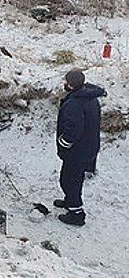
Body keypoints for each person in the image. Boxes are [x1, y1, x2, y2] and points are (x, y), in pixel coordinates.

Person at [55, 68, 105, 226]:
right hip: (88, 147)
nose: (64, 83)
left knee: (70, 181)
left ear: (70, 85)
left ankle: (77, 213)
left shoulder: (74, 104)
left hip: (77, 151)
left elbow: (73, 130)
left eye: (65, 81)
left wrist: (63, 143)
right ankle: (69, 201)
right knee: (72, 178)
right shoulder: (90, 98)